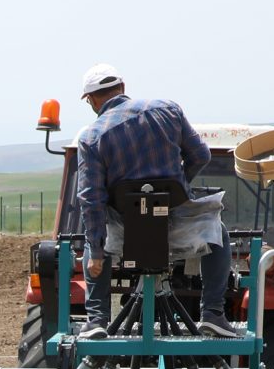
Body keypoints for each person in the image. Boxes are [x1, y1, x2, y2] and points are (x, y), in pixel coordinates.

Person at [71, 63, 236, 338]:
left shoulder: (91, 136)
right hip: (176, 224)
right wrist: (179, 185)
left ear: (91, 100)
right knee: (218, 233)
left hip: (126, 234)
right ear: (123, 88)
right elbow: (201, 156)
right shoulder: (167, 109)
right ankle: (213, 314)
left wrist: (97, 254)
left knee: (92, 242)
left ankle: (97, 320)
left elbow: (91, 199)